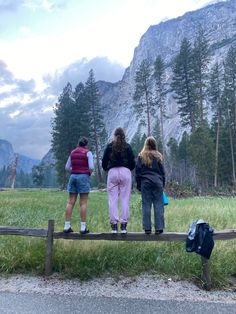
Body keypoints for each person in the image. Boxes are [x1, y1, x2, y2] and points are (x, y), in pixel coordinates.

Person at [102, 127, 135, 234]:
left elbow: (104, 162)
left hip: (112, 173)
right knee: (125, 199)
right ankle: (124, 226)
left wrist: (108, 169)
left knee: (112, 200)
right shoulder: (128, 147)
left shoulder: (109, 146)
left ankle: (114, 226)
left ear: (114, 135)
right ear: (124, 135)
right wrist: (127, 169)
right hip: (125, 172)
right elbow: (132, 162)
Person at [63, 137, 94, 234]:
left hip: (73, 177)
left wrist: (74, 169)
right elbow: (91, 167)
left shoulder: (72, 152)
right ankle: (83, 228)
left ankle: (66, 226)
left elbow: (67, 167)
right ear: (86, 145)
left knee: (70, 202)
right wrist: (88, 172)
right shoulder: (88, 153)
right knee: (83, 203)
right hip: (83, 177)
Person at [135, 136, 165, 235]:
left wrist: (139, 185)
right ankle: (159, 228)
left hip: (145, 183)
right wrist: (162, 184)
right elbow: (162, 172)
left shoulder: (141, 156)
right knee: (158, 205)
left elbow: (138, 172)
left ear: (145, 144)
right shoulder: (159, 156)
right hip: (157, 183)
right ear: (154, 145)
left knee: (146, 205)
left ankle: (147, 228)